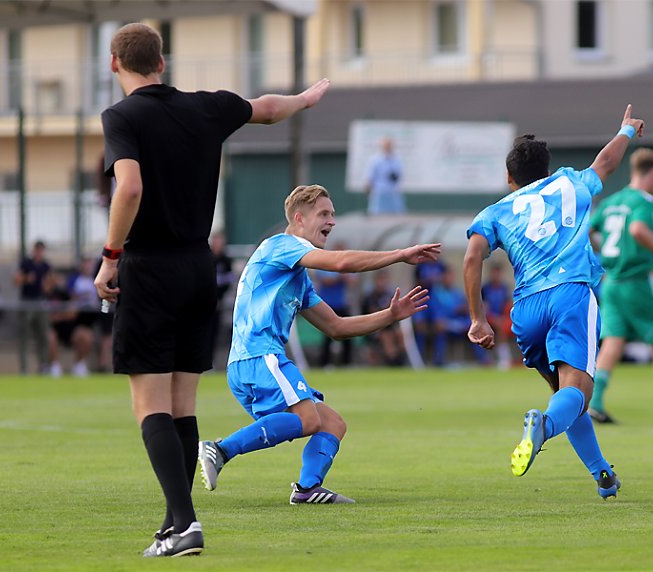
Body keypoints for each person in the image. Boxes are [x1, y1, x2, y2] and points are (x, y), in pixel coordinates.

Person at [92, 23, 331, 558]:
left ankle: (185, 526)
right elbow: (266, 108)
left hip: (149, 267)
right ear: (163, 62)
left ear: (115, 64)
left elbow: (128, 186)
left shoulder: (122, 117)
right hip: (199, 268)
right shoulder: (203, 107)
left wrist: (110, 258)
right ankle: (174, 522)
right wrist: (306, 98)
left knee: (149, 403)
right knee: (180, 405)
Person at [198, 184, 439, 505]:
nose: (332, 221)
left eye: (333, 214)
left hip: (255, 363)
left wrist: (391, 314)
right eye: (324, 214)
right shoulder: (280, 246)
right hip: (260, 358)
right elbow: (339, 262)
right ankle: (221, 449)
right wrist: (399, 254)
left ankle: (308, 489)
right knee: (309, 420)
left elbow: (337, 327)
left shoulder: (296, 276)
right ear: (299, 218)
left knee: (332, 423)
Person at [463, 104, 646, 500]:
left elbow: (472, 257)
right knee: (578, 392)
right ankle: (541, 426)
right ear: (547, 169)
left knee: (568, 395)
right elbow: (607, 162)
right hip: (570, 294)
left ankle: (603, 476)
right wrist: (626, 131)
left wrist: (477, 319)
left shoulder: (495, 211)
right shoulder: (571, 184)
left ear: (509, 178)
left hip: (526, 309)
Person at [588, 148, 653, 426]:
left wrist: (603, 255)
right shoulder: (644, 202)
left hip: (611, 282)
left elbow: (588, 229)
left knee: (612, 341)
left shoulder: (612, 201)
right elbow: (637, 230)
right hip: (638, 280)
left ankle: (595, 403)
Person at [313, 241, 356, 368]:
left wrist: (343, 276)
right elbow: (326, 280)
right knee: (327, 335)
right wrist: (340, 276)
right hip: (326, 304)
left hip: (341, 303)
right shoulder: (324, 265)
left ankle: (346, 363)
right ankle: (325, 363)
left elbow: (353, 282)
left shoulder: (347, 266)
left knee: (349, 333)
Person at [14, 240, 52, 374]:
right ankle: (23, 369)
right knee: (24, 336)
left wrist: (46, 285)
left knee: (42, 335)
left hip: (40, 301)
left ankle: (43, 366)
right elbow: (16, 281)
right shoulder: (26, 264)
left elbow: (48, 285)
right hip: (27, 301)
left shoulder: (45, 266)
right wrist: (26, 279)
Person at [361, 270, 406, 366]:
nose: (382, 283)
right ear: (375, 281)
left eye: (384, 280)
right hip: (372, 329)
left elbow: (395, 317)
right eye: (380, 280)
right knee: (386, 336)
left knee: (399, 333)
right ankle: (393, 361)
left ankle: (402, 358)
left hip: (388, 326)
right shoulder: (369, 297)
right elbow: (363, 316)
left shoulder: (390, 295)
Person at [430, 267, 471, 366]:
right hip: (444, 325)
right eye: (447, 276)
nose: (449, 278)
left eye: (451, 276)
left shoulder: (458, 293)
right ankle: (438, 362)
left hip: (459, 324)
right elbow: (437, 314)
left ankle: (484, 361)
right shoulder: (436, 294)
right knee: (440, 331)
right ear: (442, 278)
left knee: (474, 331)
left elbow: (465, 309)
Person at [480, 265, 513, 369]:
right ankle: (503, 358)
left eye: (498, 273)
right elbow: (484, 307)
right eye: (494, 273)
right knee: (500, 326)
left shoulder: (504, 288)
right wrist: (494, 317)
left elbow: (507, 305)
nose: (496, 276)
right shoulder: (485, 288)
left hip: (502, 317)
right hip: (488, 317)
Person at [209, 231, 234, 369]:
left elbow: (229, 280)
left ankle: (217, 363)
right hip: (207, 303)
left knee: (218, 334)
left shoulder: (226, 260)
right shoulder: (208, 258)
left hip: (221, 305)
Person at [365, 137, 405, 215]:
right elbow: (369, 179)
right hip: (379, 194)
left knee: (397, 215)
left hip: (393, 194)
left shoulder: (397, 160)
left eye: (389, 145)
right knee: (378, 216)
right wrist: (370, 193)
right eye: (386, 145)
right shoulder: (375, 160)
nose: (388, 148)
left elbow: (399, 176)